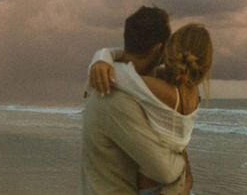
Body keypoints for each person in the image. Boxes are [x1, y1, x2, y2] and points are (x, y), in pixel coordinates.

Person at [88, 22, 213, 195]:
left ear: (168, 49)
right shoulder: (192, 94)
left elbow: (110, 75)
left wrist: (101, 57)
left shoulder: (160, 90)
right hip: (180, 184)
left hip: (155, 188)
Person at [80, 6, 187, 195]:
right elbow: (164, 171)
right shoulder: (113, 95)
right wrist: (185, 162)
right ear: (158, 49)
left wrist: (104, 54)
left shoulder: (116, 82)